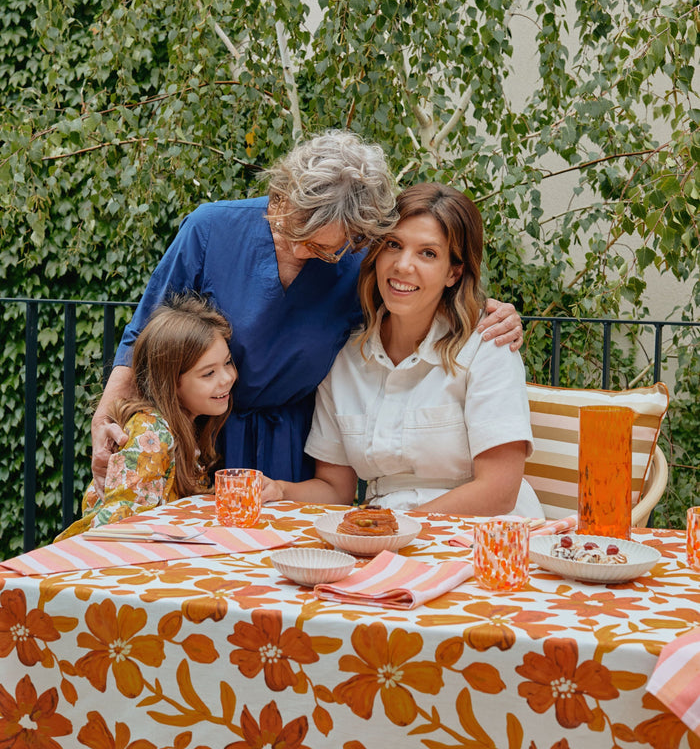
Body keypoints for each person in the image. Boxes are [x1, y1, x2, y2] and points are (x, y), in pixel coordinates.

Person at [91, 131, 524, 492]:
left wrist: (492, 312)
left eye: (321, 247)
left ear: (356, 236)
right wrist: (107, 416)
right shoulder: (209, 229)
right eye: (291, 229)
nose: (300, 251)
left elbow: (419, 289)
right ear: (281, 195)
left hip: (293, 446)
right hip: (200, 432)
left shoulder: (360, 262)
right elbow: (143, 334)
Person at [261, 183, 543, 519]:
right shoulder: (345, 356)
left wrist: (396, 527)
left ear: (454, 272)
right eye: (393, 245)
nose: (403, 265)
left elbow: (499, 490)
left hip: (484, 532)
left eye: (428, 253)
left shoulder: (488, 343)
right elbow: (335, 489)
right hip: (389, 531)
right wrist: (280, 490)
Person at [59, 294, 236, 537]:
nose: (227, 378)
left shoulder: (185, 427)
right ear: (171, 382)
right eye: (209, 373)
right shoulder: (151, 433)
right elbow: (117, 529)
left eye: (227, 362)